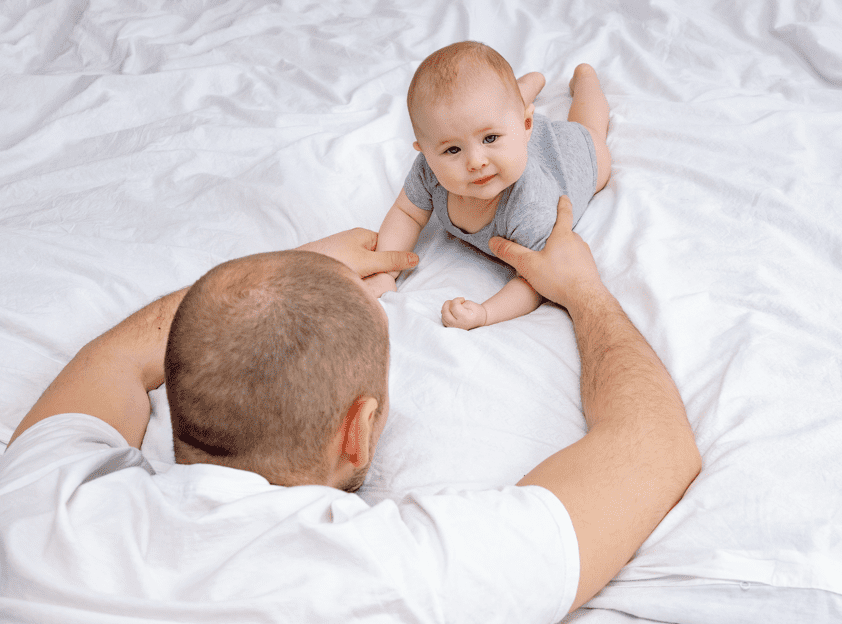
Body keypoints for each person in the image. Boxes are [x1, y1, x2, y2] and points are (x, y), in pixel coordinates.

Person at [1, 202, 701, 623]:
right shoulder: (402, 579)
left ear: (179, 398)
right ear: (357, 431)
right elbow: (656, 447)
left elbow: (113, 363)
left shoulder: (38, 514)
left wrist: (280, 275)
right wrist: (584, 292)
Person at [365, 41, 612, 330]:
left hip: (575, 155)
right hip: (509, 127)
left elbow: (537, 278)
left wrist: (486, 313)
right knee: (485, 110)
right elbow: (406, 213)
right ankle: (521, 92)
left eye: (490, 139)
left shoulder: (529, 206)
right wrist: (384, 271)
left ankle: (585, 81)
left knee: (590, 125)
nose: (476, 162)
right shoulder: (429, 171)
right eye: (453, 150)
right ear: (425, 153)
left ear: (527, 124)